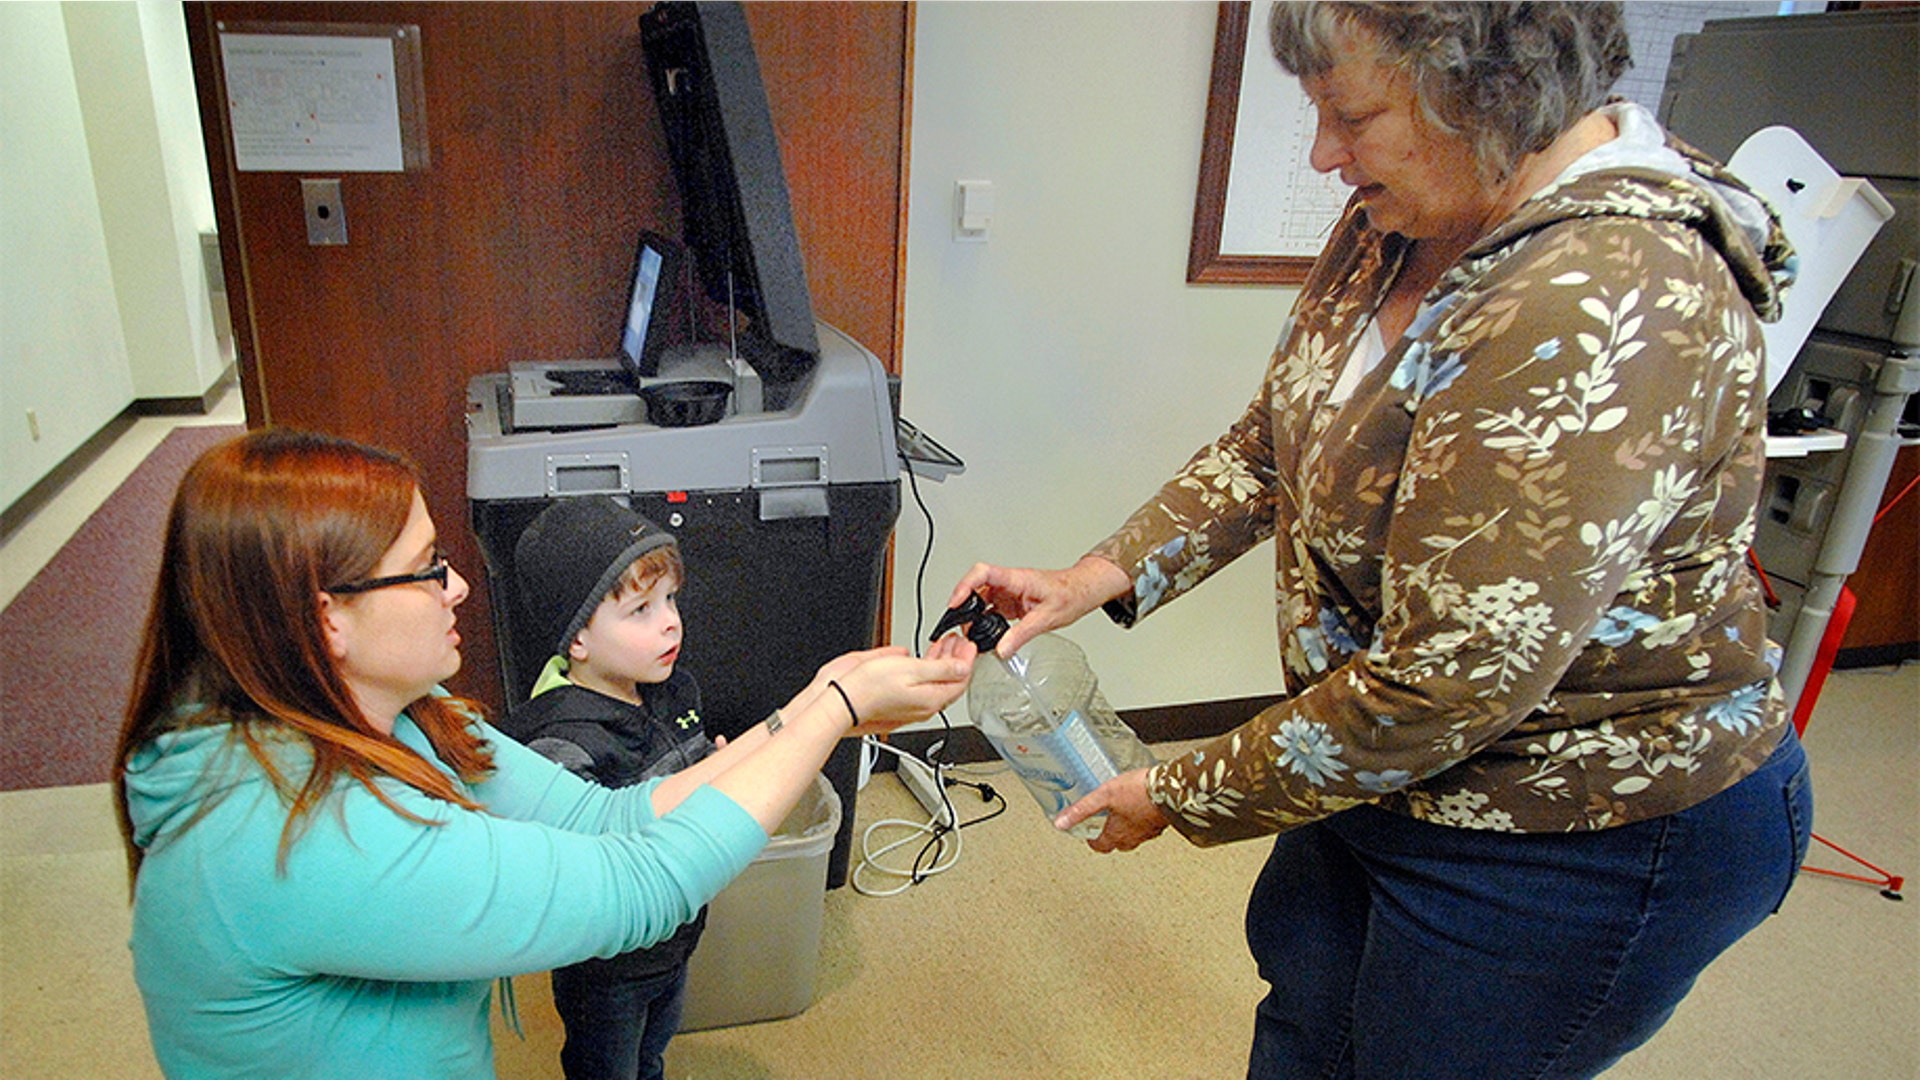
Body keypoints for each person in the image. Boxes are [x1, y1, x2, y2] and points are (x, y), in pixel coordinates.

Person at [946, 4, 1812, 1077]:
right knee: (1308, 1017)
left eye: (1351, 116)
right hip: (1381, 769)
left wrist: (1179, 792)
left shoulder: (1603, 294)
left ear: (1489, 90)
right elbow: (1275, 443)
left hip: (1576, 827)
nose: (1323, 154)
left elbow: (1448, 682)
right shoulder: (1404, 212)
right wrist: (1090, 579)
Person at [113, 428, 973, 1079]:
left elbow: (611, 818)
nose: (454, 586)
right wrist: (834, 710)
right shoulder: (290, 837)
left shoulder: (403, 716)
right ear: (324, 616)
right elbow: (641, 884)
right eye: (424, 569)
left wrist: (812, 707)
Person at [496, 497, 713, 1080]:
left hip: (676, 936)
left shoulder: (673, 689)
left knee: (652, 1051)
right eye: (641, 609)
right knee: (606, 1066)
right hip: (608, 968)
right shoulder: (563, 740)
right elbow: (577, 868)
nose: (669, 620)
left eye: (670, 599)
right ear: (578, 640)